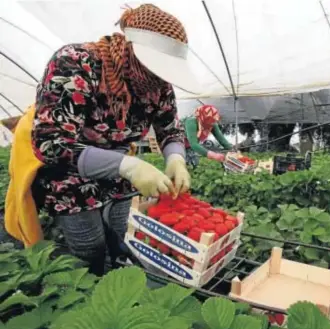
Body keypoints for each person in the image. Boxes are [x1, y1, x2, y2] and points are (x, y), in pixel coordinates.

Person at [5, 4, 195, 275]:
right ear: (134, 49)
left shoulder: (158, 85)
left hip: (116, 167)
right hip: (67, 170)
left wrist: (176, 157)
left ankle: (123, 283)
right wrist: (131, 166)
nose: (163, 78)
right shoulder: (76, 63)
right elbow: (52, 144)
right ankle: (84, 291)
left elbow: (169, 129)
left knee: (129, 231)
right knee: (89, 244)